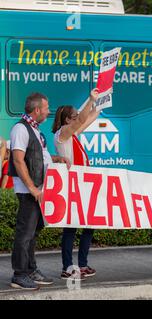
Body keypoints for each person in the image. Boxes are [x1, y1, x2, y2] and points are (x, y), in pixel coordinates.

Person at [9, 92, 70, 290]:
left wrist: (57, 159)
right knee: (25, 234)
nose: (48, 111)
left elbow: (38, 157)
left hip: (37, 189)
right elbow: (18, 160)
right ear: (37, 110)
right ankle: (19, 275)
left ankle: (31, 269)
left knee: (33, 233)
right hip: (29, 191)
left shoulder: (35, 130)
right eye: (46, 108)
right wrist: (33, 189)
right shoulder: (21, 129)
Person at [52, 88, 100, 280]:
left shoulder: (71, 134)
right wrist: (91, 98)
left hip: (82, 186)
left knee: (89, 225)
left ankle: (82, 264)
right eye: (74, 116)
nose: (78, 117)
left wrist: (101, 102)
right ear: (67, 120)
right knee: (71, 228)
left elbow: (90, 118)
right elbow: (82, 120)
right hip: (72, 186)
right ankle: (67, 267)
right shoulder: (62, 134)